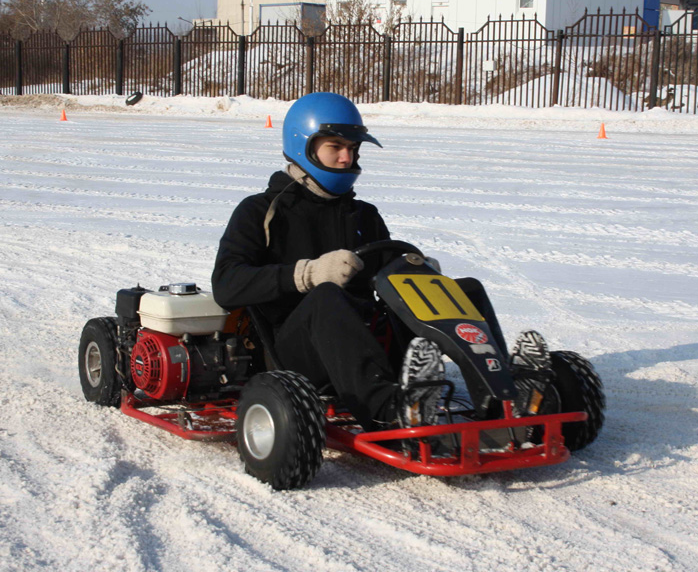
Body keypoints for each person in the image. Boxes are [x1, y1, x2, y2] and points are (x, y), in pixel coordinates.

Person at [211, 92, 553, 432]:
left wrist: (418, 271)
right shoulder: (259, 211)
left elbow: (389, 273)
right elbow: (226, 284)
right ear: (304, 145)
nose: (347, 158)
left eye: (353, 148)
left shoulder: (364, 214)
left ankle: (501, 399)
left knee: (466, 290)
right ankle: (389, 413)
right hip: (295, 353)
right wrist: (308, 274)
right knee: (328, 297)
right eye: (335, 147)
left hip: (364, 346)